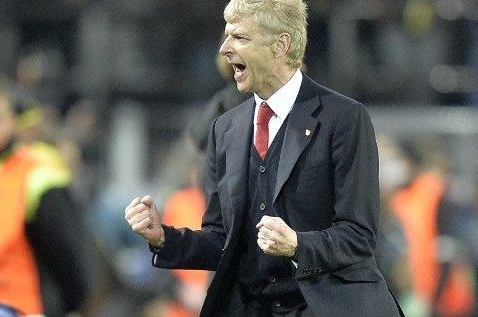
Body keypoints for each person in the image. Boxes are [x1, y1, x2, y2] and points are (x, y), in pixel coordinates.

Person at [125, 1, 403, 316]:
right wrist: (165, 237)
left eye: (240, 38)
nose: (224, 49)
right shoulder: (225, 128)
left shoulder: (344, 119)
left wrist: (299, 244)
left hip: (326, 306)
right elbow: (221, 240)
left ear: (280, 45)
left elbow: (359, 237)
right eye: (227, 37)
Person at [0, 73, 89, 316]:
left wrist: (73, 304)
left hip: (18, 305)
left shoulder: (38, 174)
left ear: (12, 121)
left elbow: (66, 252)